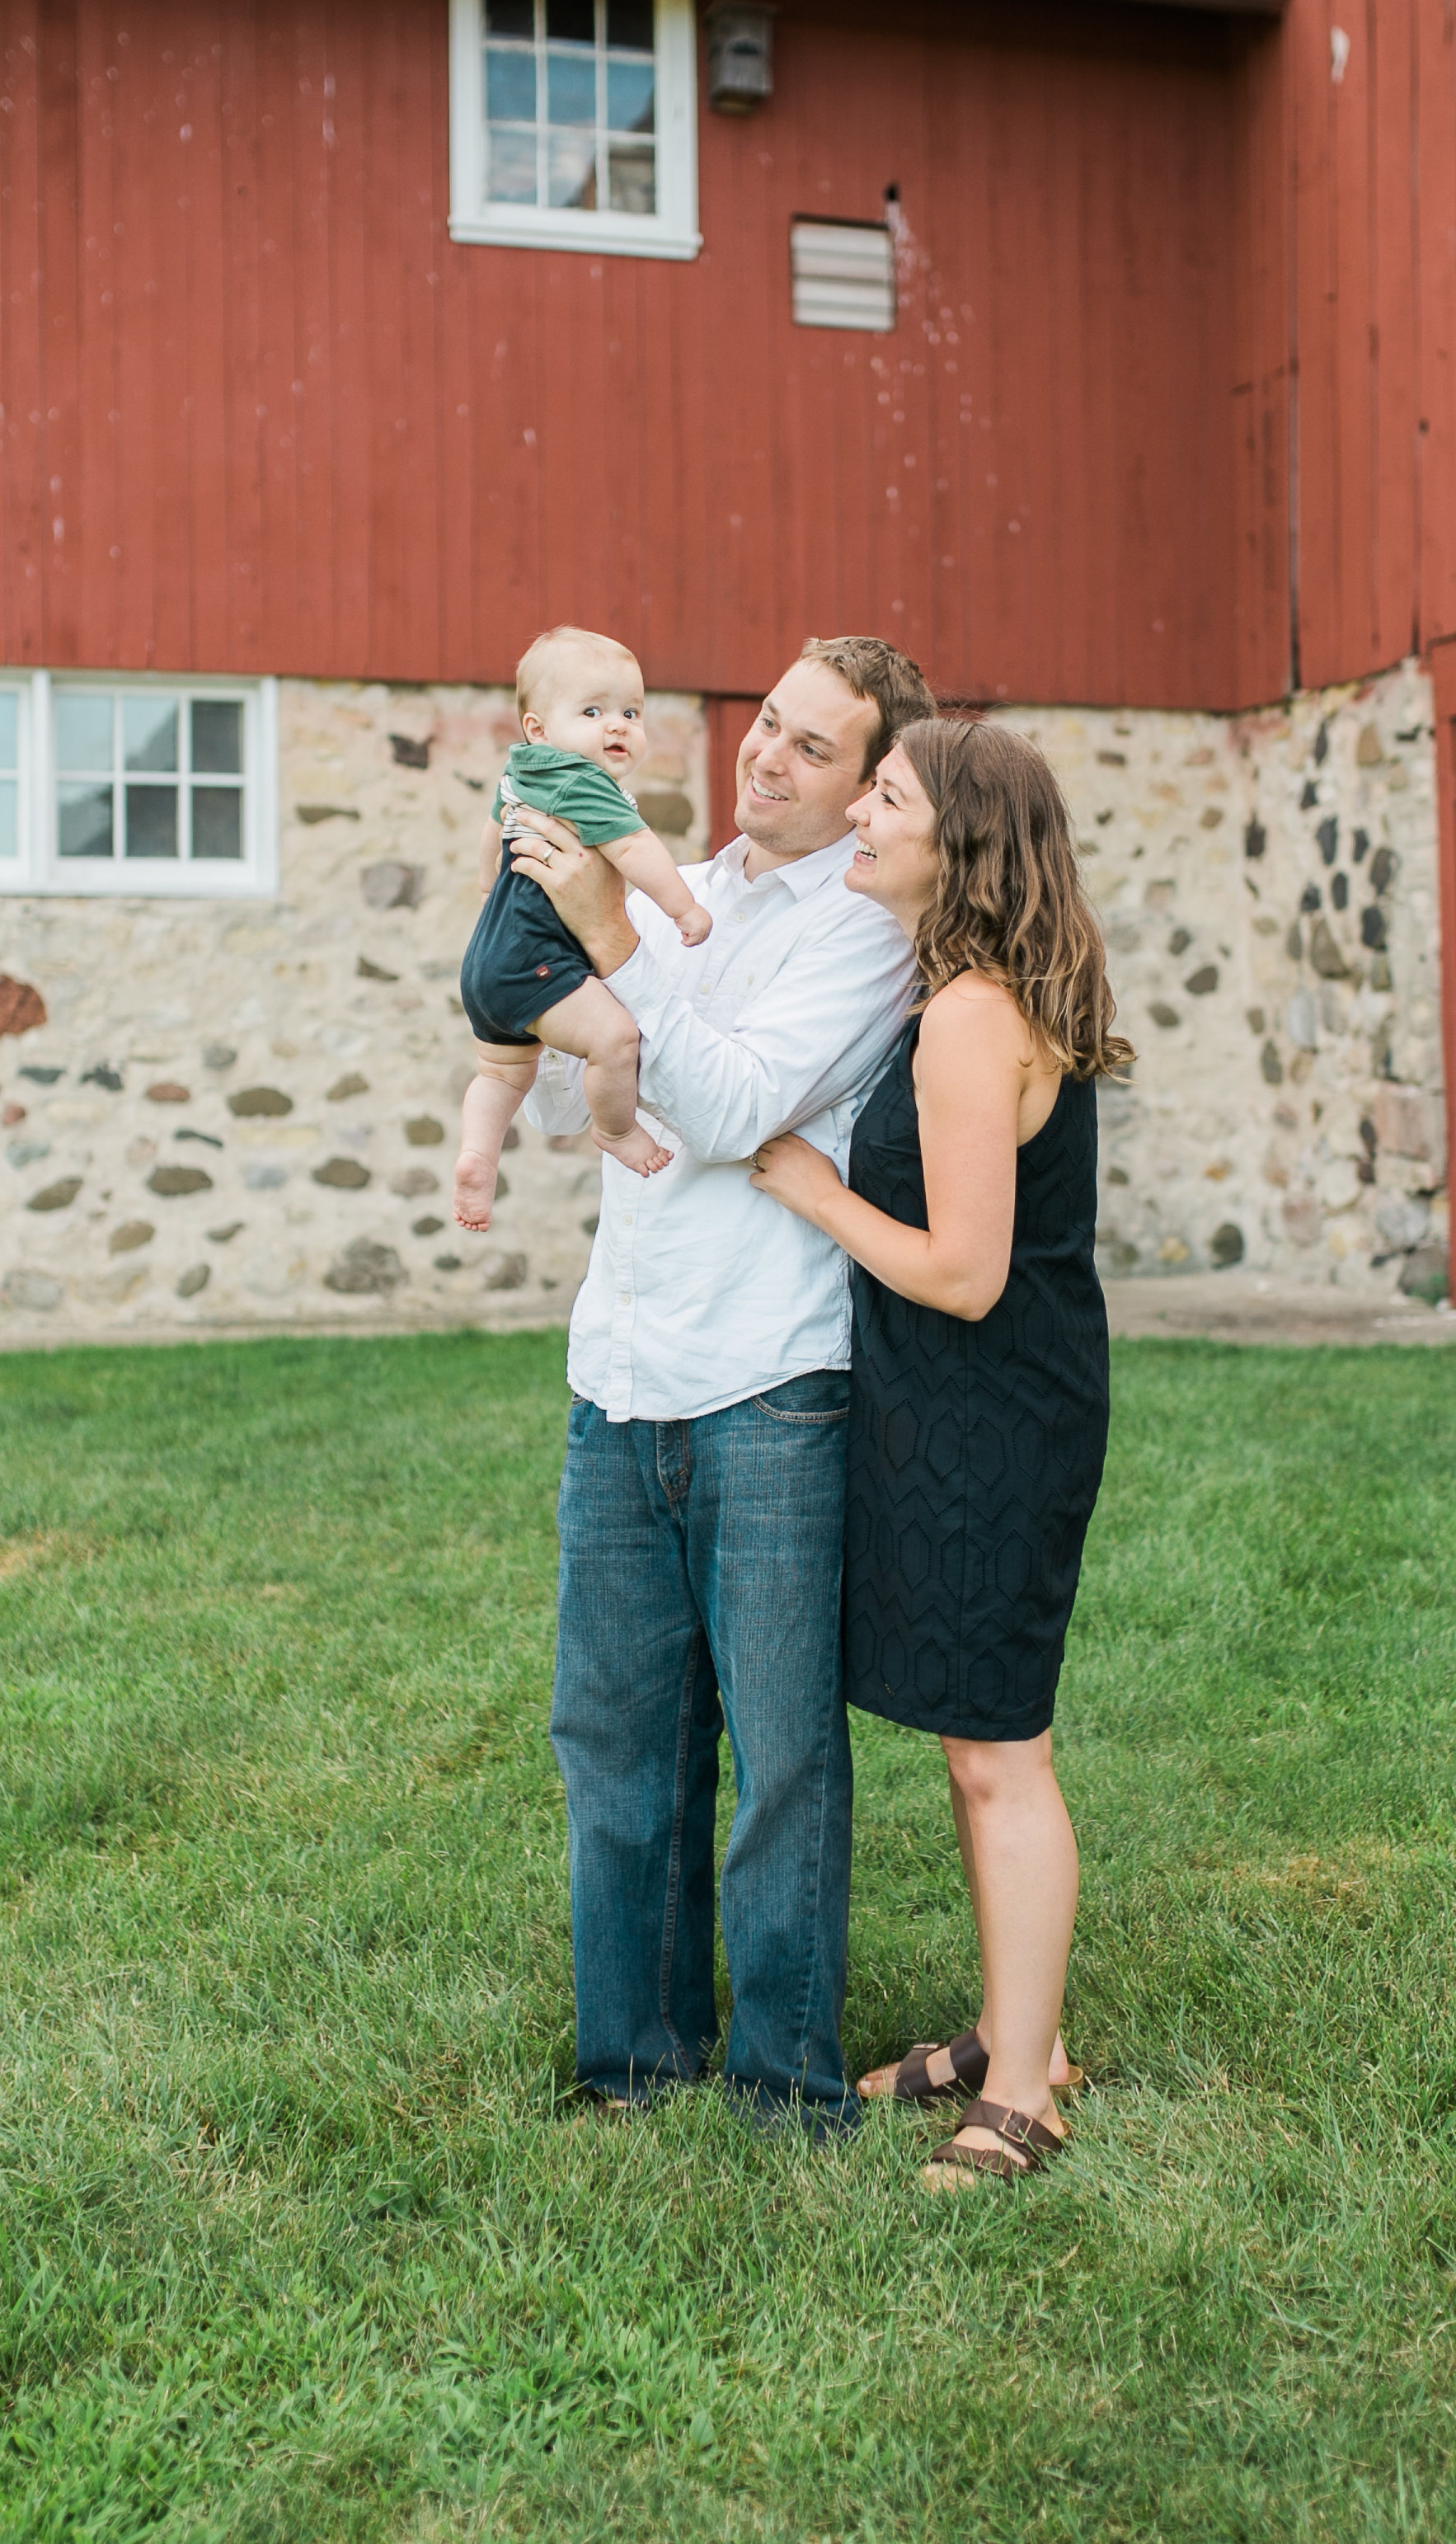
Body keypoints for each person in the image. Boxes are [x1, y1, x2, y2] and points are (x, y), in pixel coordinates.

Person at [505, 636, 936, 2130]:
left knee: (784, 1759)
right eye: (767, 724)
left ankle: (784, 2085)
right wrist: (581, 954)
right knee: (616, 1741)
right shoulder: (689, 887)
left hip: (771, 1379)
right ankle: (633, 2062)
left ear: (870, 782)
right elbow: (577, 1091)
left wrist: (615, 949)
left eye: (815, 749)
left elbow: (745, 1100)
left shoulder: (867, 933)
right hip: (619, 1365)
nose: (766, 758)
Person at [749, 717, 1130, 2185]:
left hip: (997, 1411)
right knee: (977, 1747)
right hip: (957, 1407)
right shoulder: (964, 994)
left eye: (886, 795)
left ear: (955, 840)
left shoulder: (973, 1015)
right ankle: (1002, 2026)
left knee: (1000, 1755)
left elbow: (967, 1273)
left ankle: (1024, 2091)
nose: (859, 812)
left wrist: (808, 1188)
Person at [453, 628, 712, 1231]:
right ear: (539, 729)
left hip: (487, 958)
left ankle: (476, 1155)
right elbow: (636, 849)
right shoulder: (584, 782)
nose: (616, 726)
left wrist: (490, 882)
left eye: (630, 712)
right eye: (592, 711)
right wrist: (683, 910)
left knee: (500, 1073)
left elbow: (493, 829)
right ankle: (616, 1129)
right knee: (617, 1040)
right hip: (537, 959)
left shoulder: (521, 771)